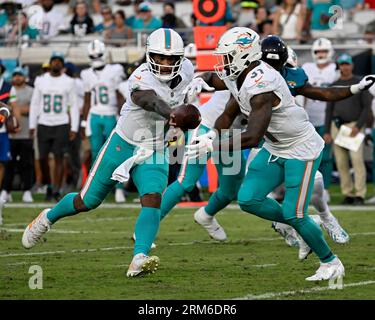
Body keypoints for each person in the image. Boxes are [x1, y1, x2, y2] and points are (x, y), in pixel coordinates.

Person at [22, 28, 195, 278]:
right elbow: (149, 100)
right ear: (149, 55)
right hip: (123, 142)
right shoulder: (140, 77)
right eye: (160, 57)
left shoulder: (188, 69)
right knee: (87, 201)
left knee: (153, 198)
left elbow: (198, 82)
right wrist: (173, 113)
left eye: (171, 59)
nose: (166, 64)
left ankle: (139, 256)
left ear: (180, 59)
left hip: (154, 146)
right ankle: (47, 217)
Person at [185, 27, 347, 281]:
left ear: (243, 55)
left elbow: (251, 136)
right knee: (248, 199)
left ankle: (331, 262)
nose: (223, 62)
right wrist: (199, 82)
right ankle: (305, 227)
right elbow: (225, 108)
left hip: (299, 148)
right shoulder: (239, 72)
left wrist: (212, 147)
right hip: (276, 146)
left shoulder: (262, 84)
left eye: (228, 56)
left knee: (295, 213)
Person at [29, 52, 80, 202]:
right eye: (54, 61)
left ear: (62, 65)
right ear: (50, 63)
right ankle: (49, 185)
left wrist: (74, 128)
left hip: (61, 122)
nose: (56, 64)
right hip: (44, 122)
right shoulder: (40, 80)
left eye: (59, 61)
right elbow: (35, 103)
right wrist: (32, 124)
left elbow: (74, 106)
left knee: (59, 157)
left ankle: (56, 189)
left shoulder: (69, 81)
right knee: (43, 157)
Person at [81, 39, 127, 203]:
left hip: (110, 114)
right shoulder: (86, 74)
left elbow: (120, 95)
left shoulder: (115, 70)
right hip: (94, 115)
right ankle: (97, 188)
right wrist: (83, 122)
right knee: (95, 153)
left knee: (116, 152)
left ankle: (119, 188)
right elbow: (87, 99)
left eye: (98, 55)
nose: (95, 58)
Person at [324, 54, 372, 205]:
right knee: (341, 162)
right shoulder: (334, 84)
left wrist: (359, 126)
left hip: (353, 126)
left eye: (347, 64)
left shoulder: (360, 82)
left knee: (357, 160)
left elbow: (367, 108)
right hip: (337, 126)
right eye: (342, 64)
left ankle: (360, 194)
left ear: (352, 65)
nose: (345, 67)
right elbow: (329, 109)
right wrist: (326, 131)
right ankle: (348, 193)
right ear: (339, 66)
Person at [302, 38, 338, 202]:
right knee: (307, 155)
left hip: (327, 117)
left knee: (326, 156)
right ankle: (309, 187)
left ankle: (325, 188)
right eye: (318, 51)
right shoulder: (307, 68)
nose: (321, 54)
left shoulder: (334, 69)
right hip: (308, 118)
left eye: (324, 51)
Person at [1, 67, 34, 203]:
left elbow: (30, 107)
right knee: (9, 163)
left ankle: (26, 190)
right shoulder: (10, 89)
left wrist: (16, 119)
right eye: (15, 75)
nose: (17, 77)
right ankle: (5, 190)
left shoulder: (29, 91)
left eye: (19, 75)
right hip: (9, 133)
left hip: (20, 132)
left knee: (25, 163)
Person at [0, 60, 12, 197]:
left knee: (2, 162)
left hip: (2, 132)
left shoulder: (8, 86)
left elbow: (7, 108)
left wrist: (4, 116)